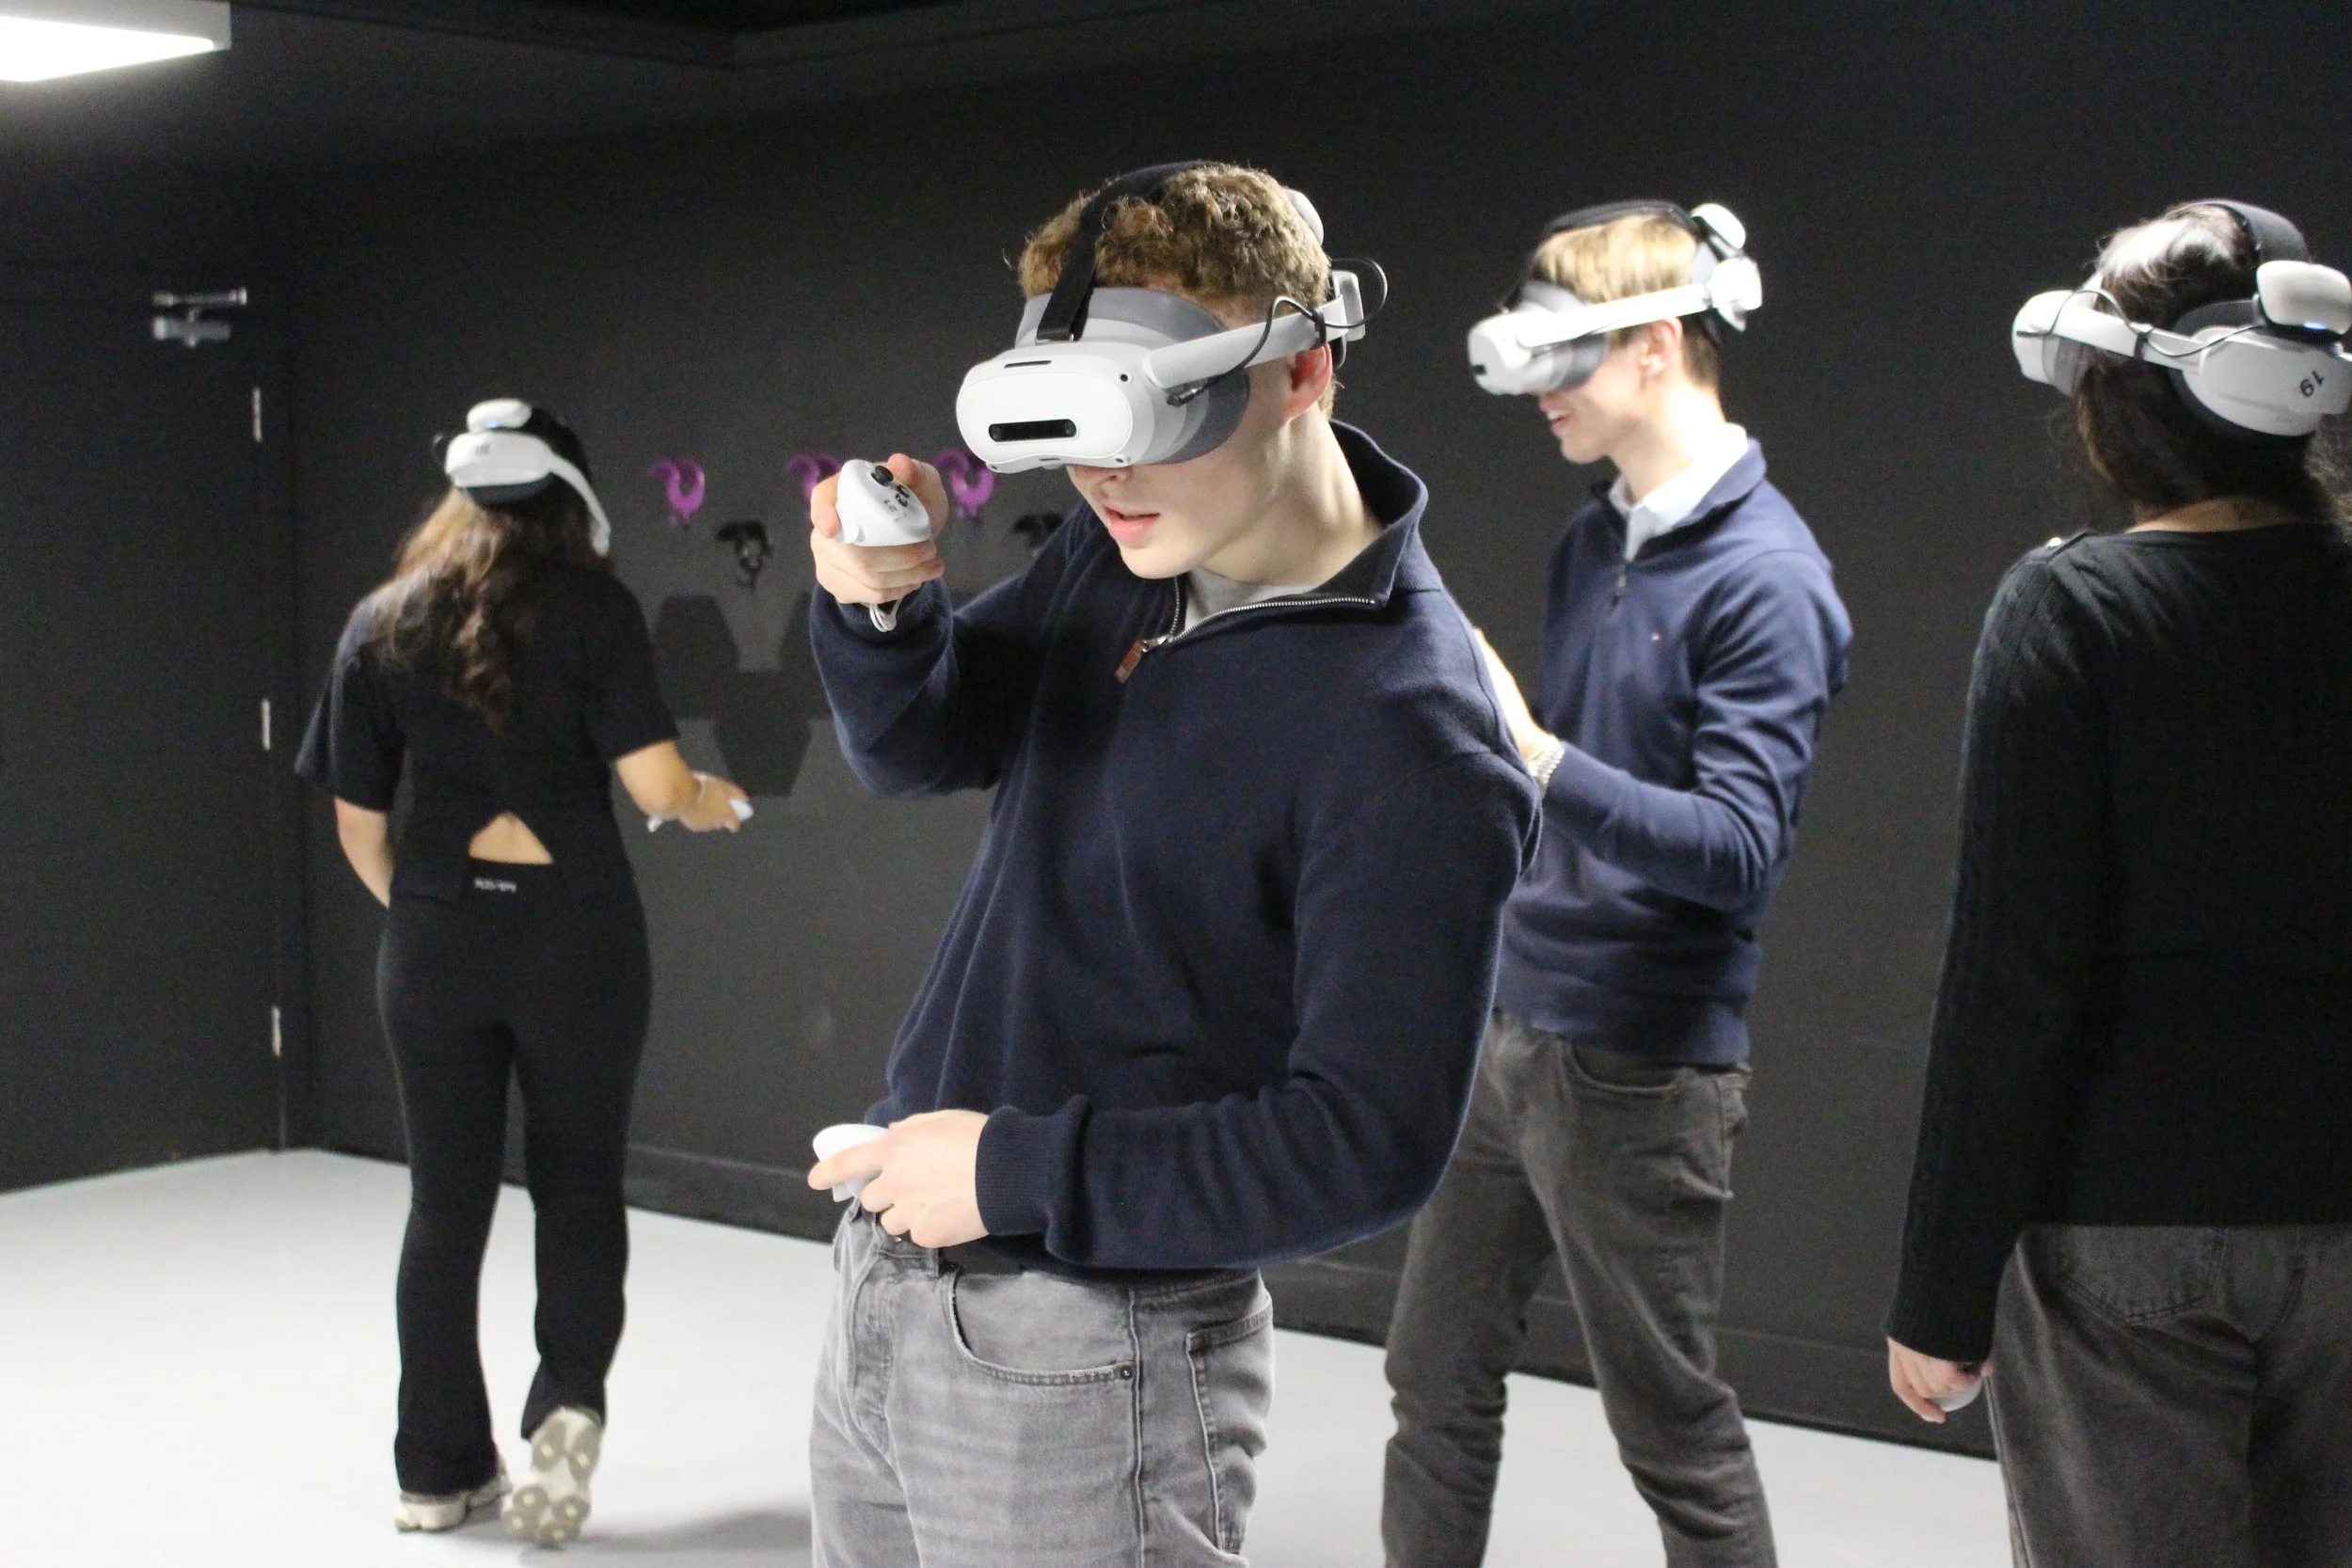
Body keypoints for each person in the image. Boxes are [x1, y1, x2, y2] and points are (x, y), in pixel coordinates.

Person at [799, 162, 1539, 1567]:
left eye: (1145, 421)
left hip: (1091, 1345)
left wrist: (1017, 1170)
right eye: (1074, 432)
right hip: (899, 1281)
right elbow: (928, 742)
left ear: (1301, 368)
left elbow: (1362, 1142)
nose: (1104, 474)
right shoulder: (1126, 550)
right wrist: (885, 612)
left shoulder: (1414, 732)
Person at [1383, 201, 1851, 1568]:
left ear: (1656, 347)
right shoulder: (1592, 542)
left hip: (1641, 1070)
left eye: (1564, 365)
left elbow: (1734, 849)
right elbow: (1562, 802)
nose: (1541, 398)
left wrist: (1534, 752)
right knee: (1433, 1377)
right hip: (1510, 1028)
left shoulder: (1771, 582)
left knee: (1671, 1430)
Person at [1887, 199, 2352, 1565]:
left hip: (2127, 1235)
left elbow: (2009, 981)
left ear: (2121, 401)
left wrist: (1940, 1290)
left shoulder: (2070, 608)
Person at [295, 400, 748, 1544]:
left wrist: (432, 912)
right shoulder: (595, 610)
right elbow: (654, 789)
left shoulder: (380, 621)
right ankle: (564, 1412)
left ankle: (434, 1469)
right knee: (579, 1187)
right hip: (575, 938)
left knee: (441, 1209)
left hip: (436, 938)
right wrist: (708, 800)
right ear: (570, 503)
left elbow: (358, 828)